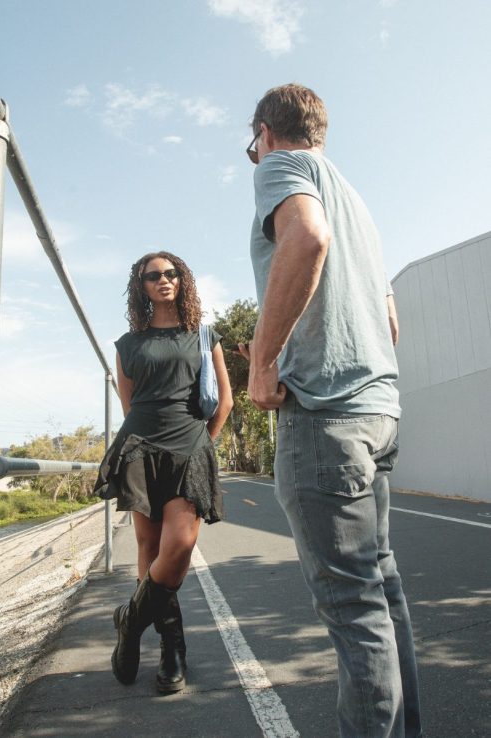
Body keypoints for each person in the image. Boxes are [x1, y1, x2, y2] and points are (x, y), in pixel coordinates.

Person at [242, 83, 420, 737]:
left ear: (265, 131)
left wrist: (262, 362)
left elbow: (307, 240)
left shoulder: (285, 167)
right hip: (378, 413)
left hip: (324, 415)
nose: (252, 156)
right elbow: (390, 319)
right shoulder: (359, 205)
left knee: (354, 608)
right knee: (380, 594)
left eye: (250, 145)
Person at [98, 251, 233, 693]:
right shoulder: (127, 345)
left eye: (171, 273)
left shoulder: (203, 335)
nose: (163, 280)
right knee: (149, 546)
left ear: (183, 280)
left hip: (188, 446)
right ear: (141, 287)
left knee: (180, 544)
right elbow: (129, 405)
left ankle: (130, 622)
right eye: (153, 276)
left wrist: (202, 446)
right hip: (141, 446)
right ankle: (172, 649)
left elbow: (226, 401)